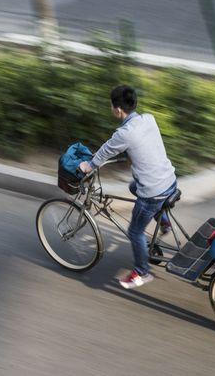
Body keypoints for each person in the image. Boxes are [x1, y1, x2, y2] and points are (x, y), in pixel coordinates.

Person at [79, 85, 177, 289]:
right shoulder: (149, 118)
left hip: (153, 192)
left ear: (117, 109)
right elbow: (140, 145)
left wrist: (88, 166)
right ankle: (164, 220)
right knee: (134, 187)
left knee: (135, 232)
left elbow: (105, 152)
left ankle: (142, 272)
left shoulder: (124, 133)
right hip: (170, 181)